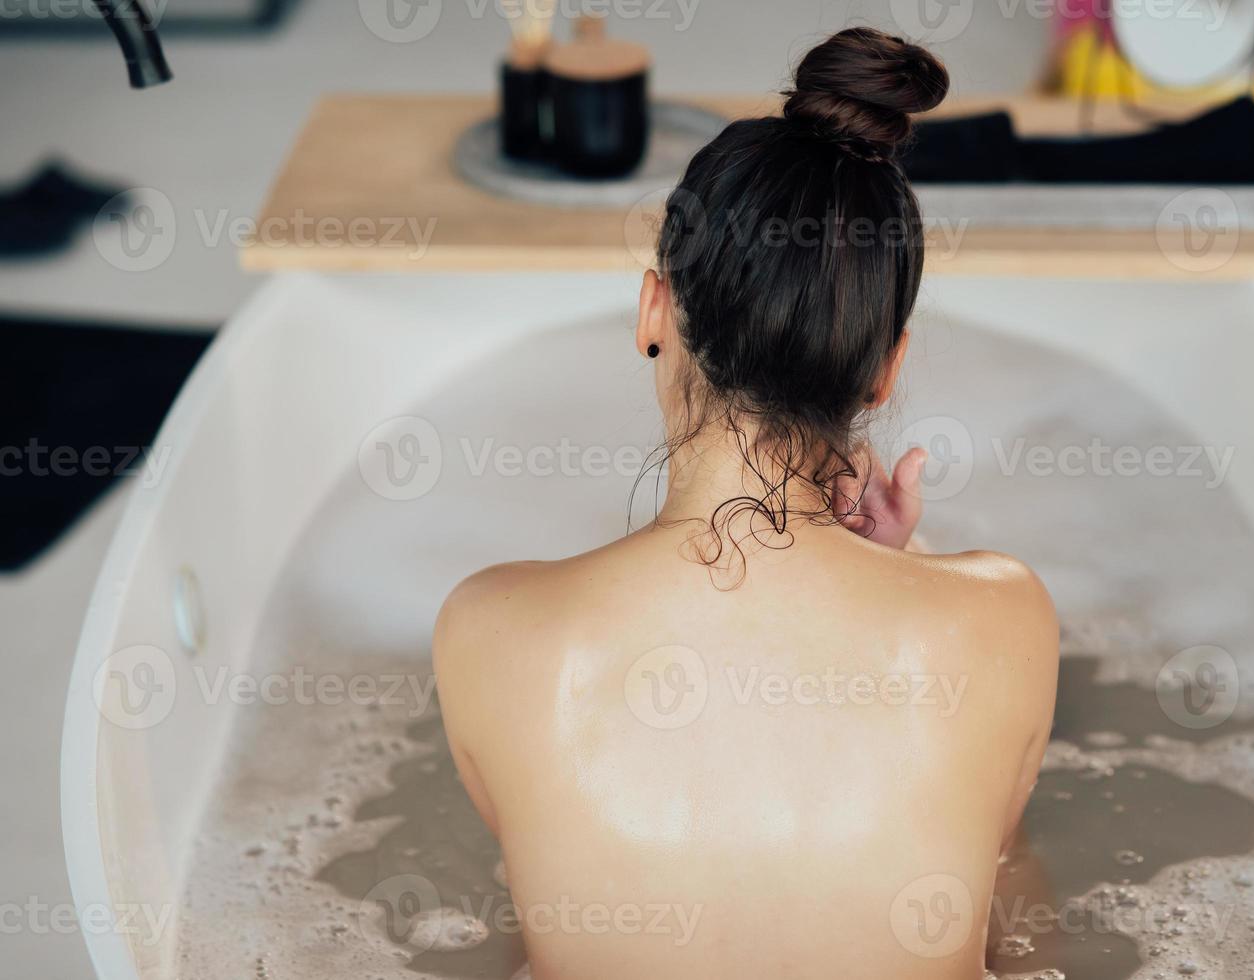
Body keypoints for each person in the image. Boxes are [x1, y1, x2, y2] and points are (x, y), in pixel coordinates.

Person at [434, 27, 1058, 979]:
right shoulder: (1002, 617)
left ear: (653, 312)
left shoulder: (487, 629)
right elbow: (988, 863)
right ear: (886, 373)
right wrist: (909, 569)